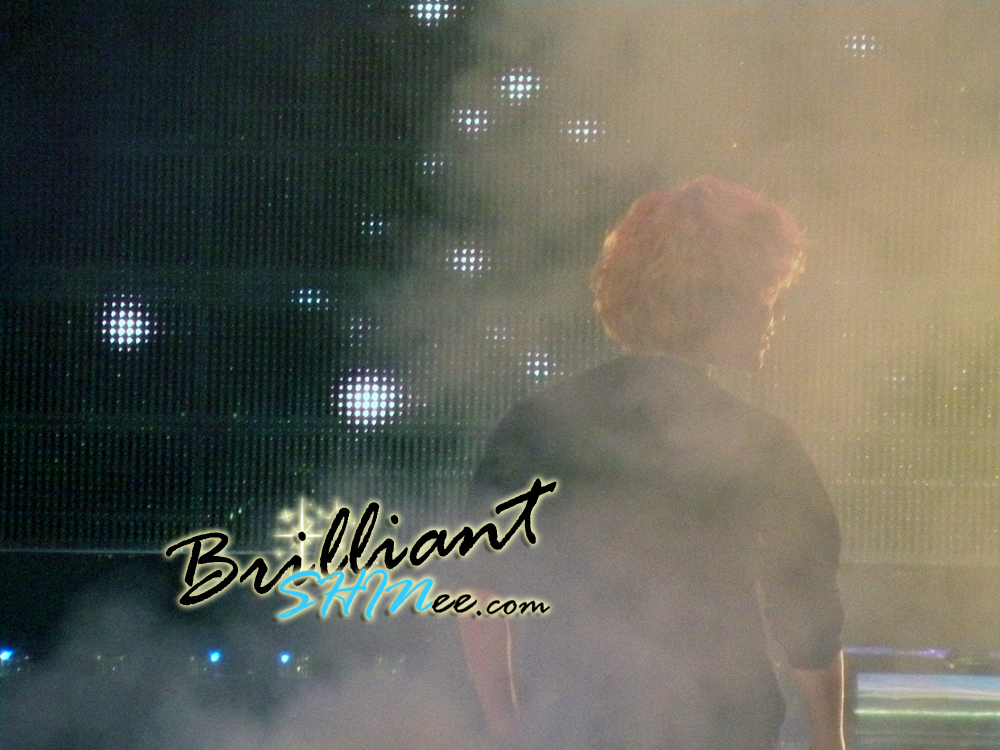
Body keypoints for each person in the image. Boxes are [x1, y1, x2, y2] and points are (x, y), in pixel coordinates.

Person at [454, 176, 845, 750]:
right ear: (720, 303)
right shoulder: (761, 444)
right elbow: (806, 606)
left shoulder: (535, 426)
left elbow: (480, 589)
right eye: (765, 296)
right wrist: (828, 736)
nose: (773, 317)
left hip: (572, 727)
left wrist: (503, 719)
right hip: (720, 729)